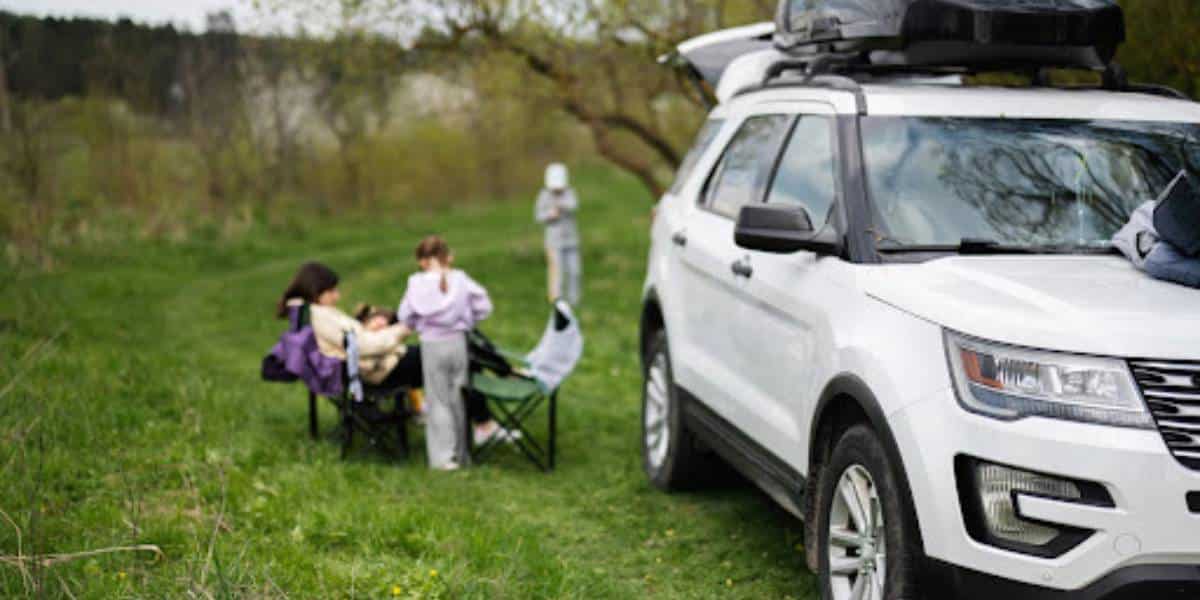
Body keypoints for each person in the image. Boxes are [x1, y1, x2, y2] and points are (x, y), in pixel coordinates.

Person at [398, 236, 493, 470]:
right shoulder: (460, 279)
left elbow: (404, 315)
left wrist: (420, 324)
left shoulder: (416, 283)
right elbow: (484, 305)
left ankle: (443, 458)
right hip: (457, 343)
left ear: (422, 261)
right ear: (448, 256)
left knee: (438, 399)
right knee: (457, 397)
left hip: (432, 345)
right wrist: (467, 319)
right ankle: (462, 453)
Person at [277, 262, 422, 390]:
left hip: (364, 365)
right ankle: (436, 410)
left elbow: (349, 341)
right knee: (434, 356)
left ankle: (425, 408)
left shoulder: (310, 312)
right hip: (375, 369)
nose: (337, 296)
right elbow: (363, 346)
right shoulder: (319, 316)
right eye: (332, 291)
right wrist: (403, 328)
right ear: (315, 290)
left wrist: (368, 329)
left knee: (429, 353)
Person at [535, 163, 582, 305]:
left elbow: (574, 205)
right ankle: (557, 301)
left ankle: (575, 300)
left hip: (571, 240)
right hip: (554, 243)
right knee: (557, 273)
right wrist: (550, 215)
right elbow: (538, 216)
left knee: (575, 271)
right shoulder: (544, 195)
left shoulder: (569, 193)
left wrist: (560, 206)